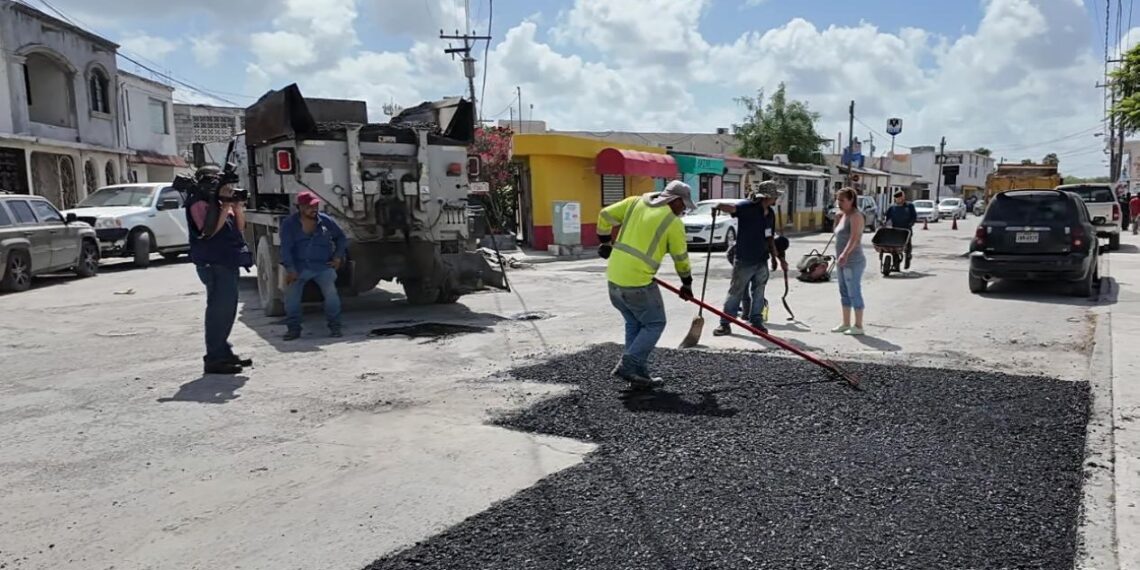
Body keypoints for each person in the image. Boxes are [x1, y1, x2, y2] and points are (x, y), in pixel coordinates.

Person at [596, 180, 695, 390]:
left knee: (635, 324)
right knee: (655, 323)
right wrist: (686, 283)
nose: (684, 208)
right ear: (674, 200)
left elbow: (605, 215)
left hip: (614, 280)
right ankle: (629, 364)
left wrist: (604, 241)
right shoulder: (672, 222)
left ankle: (638, 376)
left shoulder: (634, 203)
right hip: (637, 283)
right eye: (683, 204)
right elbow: (681, 258)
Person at [186, 166, 253, 375]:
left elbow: (239, 228)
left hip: (228, 260)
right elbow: (208, 232)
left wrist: (238, 206)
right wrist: (224, 208)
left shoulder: (218, 202)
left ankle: (223, 351)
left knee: (227, 309)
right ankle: (214, 358)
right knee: (218, 311)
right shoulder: (197, 202)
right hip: (212, 263)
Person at [713, 181, 788, 336]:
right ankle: (725, 323)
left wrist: (775, 258)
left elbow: (770, 237)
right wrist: (719, 205)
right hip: (744, 259)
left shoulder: (770, 214)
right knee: (736, 292)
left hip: (761, 260)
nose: (776, 199)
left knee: (759, 292)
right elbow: (732, 208)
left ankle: (756, 321)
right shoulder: (747, 208)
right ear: (767, 197)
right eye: (775, 196)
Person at [280, 191, 348, 340]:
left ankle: (335, 327)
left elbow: (341, 238)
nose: (314, 209)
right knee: (291, 299)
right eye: (310, 206)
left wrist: (337, 257)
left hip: (322, 266)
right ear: (300, 207)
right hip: (299, 268)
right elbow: (285, 248)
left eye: (316, 205)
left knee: (331, 295)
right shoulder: (289, 224)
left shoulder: (326, 221)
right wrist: (290, 270)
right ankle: (293, 329)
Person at [832, 187, 867, 336]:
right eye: (838, 200)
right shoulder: (843, 216)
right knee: (844, 292)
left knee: (854, 291)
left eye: (842, 200)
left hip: (853, 261)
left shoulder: (855, 216)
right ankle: (845, 323)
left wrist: (845, 254)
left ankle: (858, 325)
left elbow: (854, 238)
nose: (839, 203)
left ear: (851, 200)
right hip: (842, 260)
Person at [883, 190, 917, 268]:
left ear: (903, 197)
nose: (898, 200)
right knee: (894, 247)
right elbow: (887, 218)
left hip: (906, 230)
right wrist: (885, 223)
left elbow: (914, 216)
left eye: (900, 198)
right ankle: (896, 263)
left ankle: (908, 257)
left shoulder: (909, 206)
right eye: (897, 198)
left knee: (907, 245)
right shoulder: (892, 207)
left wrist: (911, 223)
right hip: (895, 230)